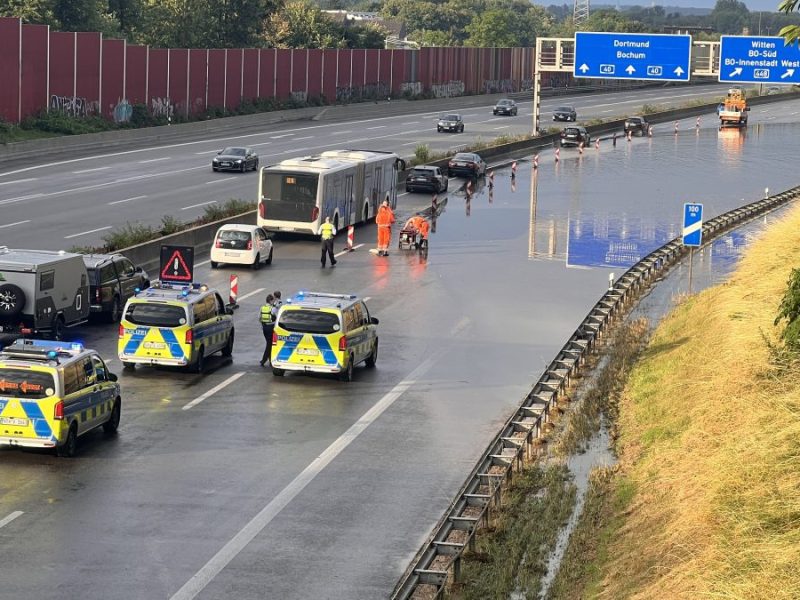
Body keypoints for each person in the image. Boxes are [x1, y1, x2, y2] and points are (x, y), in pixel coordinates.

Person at [259, 293, 275, 367]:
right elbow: (276, 317)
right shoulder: (272, 308)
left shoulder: (262, 307)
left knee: (269, 343)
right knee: (269, 344)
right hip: (271, 327)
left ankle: (270, 359)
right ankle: (263, 360)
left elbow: (259, 318)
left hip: (264, 328)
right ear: (271, 301)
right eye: (273, 301)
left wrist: (262, 325)